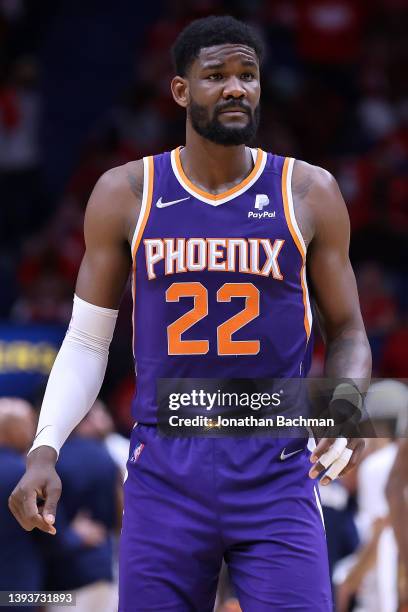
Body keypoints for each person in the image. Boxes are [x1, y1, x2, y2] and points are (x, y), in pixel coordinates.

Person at [9, 16, 371, 611]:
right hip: (165, 471)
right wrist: (45, 448)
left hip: (276, 468)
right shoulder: (127, 191)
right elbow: (87, 340)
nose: (236, 88)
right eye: (217, 75)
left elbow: (350, 330)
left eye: (248, 75)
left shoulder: (309, 191)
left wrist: (347, 409)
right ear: (181, 90)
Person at [0, 399, 43, 611]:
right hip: (16, 590)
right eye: (28, 424)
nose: (33, 431)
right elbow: (50, 532)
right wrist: (80, 536)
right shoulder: (25, 475)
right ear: (9, 430)